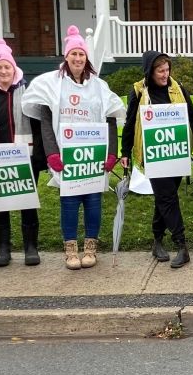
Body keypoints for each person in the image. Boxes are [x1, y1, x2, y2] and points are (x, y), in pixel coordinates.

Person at [21, 25, 125, 270]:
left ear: (86, 58)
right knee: (68, 202)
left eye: (82, 54)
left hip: (93, 156)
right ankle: (70, 250)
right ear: (66, 57)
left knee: (93, 201)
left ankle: (90, 248)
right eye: (73, 54)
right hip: (67, 156)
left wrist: (112, 152)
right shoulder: (51, 84)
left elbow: (110, 118)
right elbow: (46, 121)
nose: (78, 58)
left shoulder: (99, 86)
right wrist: (52, 153)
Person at [120, 50, 193, 269]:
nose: (165, 75)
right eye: (160, 71)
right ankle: (181, 244)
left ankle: (157, 240)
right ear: (149, 72)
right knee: (167, 197)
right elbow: (129, 123)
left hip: (177, 151)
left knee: (165, 197)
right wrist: (125, 152)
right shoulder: (138, 91)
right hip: (153, 153)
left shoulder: (178, 88)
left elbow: (192, 117)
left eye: (167, 70)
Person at [0, 39, 46, 267]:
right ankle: (3, 249)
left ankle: (30, 247)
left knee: (27, 202)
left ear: (14, 67)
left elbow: (39, 124)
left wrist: (39, 154)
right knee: (0, 204)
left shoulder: (28, 92)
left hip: (26, 155)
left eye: (7, 66)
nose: (3, 71)